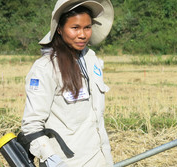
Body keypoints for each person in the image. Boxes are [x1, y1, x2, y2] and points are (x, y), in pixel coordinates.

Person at [20, 0, 114, 166]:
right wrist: (51, 158)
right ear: (59, 29)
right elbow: (32, 125)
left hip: (98, 159)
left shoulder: (91, 60)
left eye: (87, 27)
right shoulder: (45, 68)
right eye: (75, 28)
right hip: (66, 162)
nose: (83, 34)